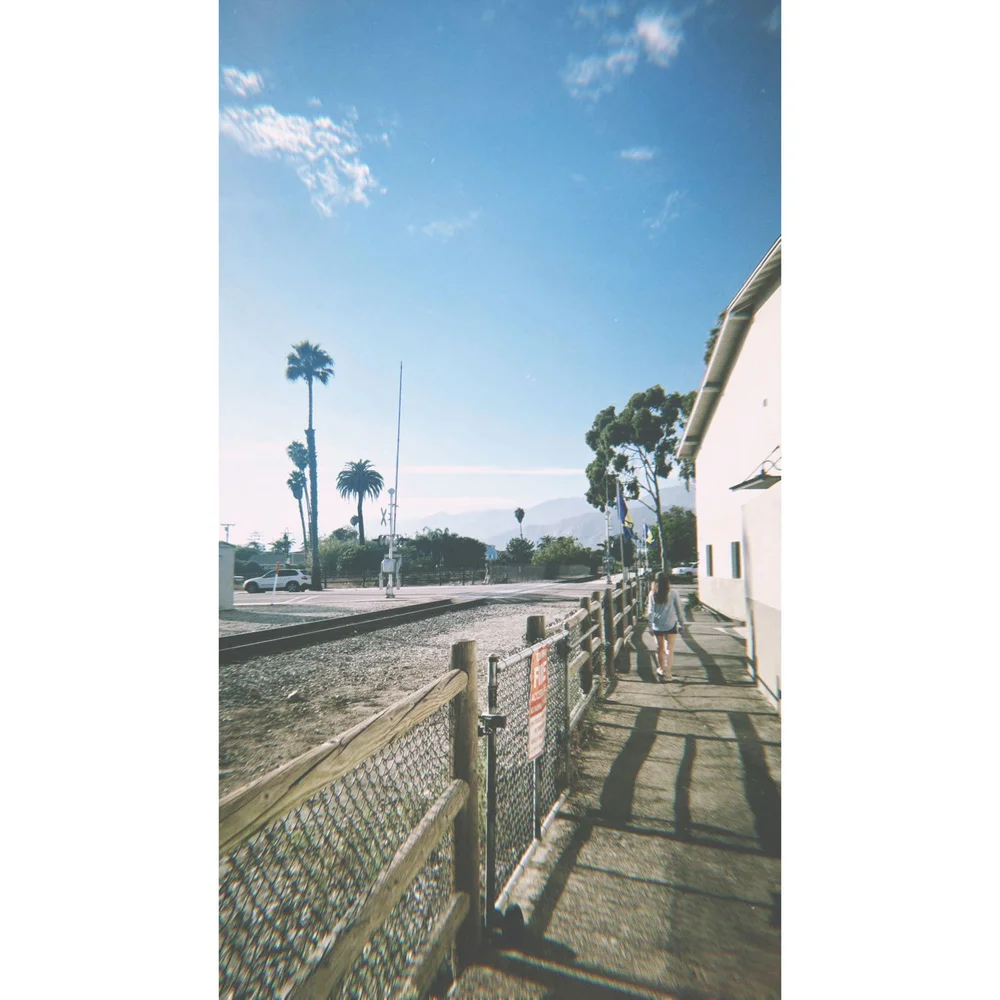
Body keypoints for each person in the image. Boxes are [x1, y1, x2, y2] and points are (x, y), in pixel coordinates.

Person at [646, 571, 684, 682]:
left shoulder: (653, 593)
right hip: (671, 624)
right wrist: (681, 623)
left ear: (656, 581)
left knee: (660, 649)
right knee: (670, 649)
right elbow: (679, 609)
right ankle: (668, 673)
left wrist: (650, 625)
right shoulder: (673, 593)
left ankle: (661, 669)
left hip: (657, 624)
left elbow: (651, 611)